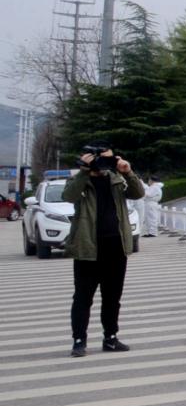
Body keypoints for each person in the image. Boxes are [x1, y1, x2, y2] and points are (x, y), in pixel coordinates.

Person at [64, 148, 146, 358]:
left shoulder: (116, 179)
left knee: (112, 297)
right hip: (87, 248)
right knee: (83, 298)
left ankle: (110, 337)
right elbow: (69, 196)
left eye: (108, 159)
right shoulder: (80, 180)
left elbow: (138, 193)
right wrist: (84, 171)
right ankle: (79, 340)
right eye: (101, 159)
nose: (104, 164)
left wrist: (128, 172)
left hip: (116, 247)